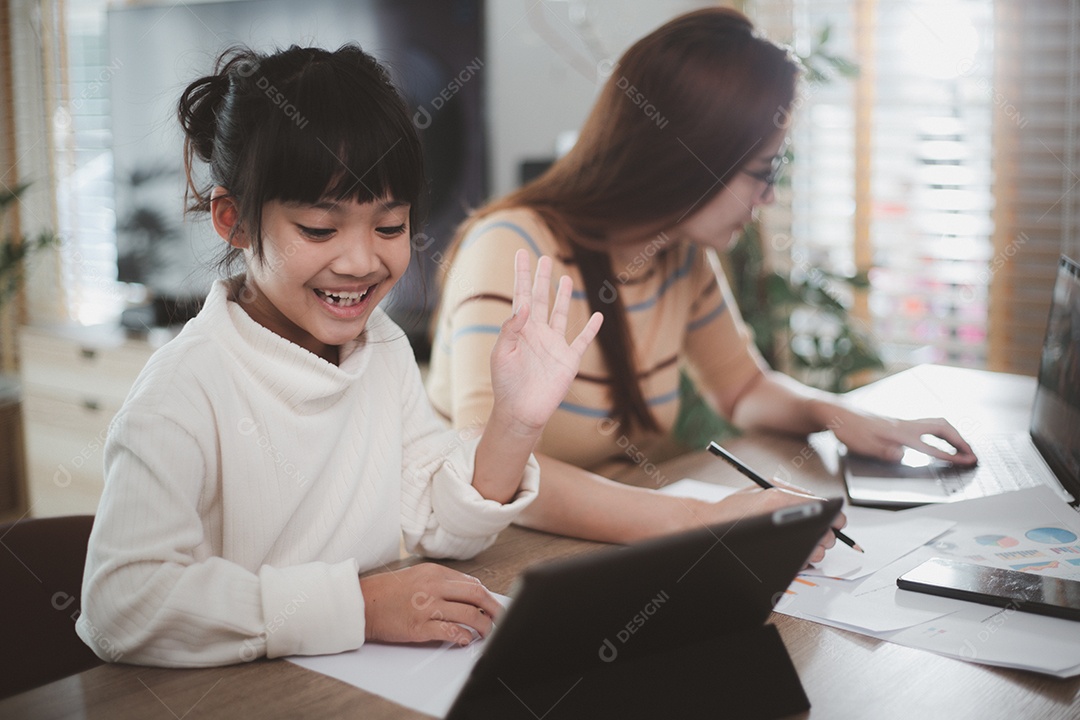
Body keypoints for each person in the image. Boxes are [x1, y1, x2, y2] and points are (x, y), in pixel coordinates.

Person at [76, 44, 602, 667]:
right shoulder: (183, 389)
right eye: (319, 230)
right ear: (234, 220)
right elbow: (123, 605)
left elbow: (441, 521)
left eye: (388, 227)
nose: (360, 262)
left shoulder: (382, 348)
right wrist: (358, 605)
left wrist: (516, 422)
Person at [426, 7, 977, 545]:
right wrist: (698, 518)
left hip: (594, 543)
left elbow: (742, 388)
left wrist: (837, 415)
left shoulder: (680, 255)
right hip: (495, 555)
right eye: (763, 173)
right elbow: (487, 464)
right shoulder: (511, 248)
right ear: (691, 158)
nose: (769, 197)